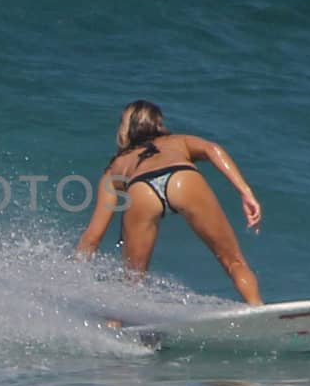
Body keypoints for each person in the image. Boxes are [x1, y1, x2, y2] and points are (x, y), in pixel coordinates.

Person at [75, 99, 264, 304]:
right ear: (158, 124)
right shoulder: (177, 141)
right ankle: (257, 308)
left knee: (132, 280)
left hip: (140, 189)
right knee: (234, 262)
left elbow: (92, 237)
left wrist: (73, 274)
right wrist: (245, 192)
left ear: (125, 129)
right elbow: (212, 149)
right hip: (182, 177)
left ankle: (115, 328)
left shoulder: (115, 168)